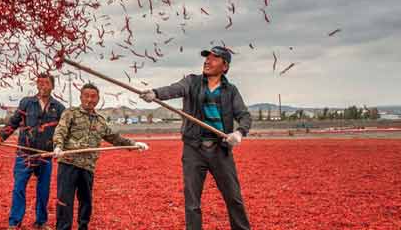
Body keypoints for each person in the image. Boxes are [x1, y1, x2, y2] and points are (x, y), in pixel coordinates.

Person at [140, 46, 252, 230]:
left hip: (220, 149)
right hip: (194, 148)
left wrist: (239, 133)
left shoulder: (230, 91)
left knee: (234, 198)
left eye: (214, 59)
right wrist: (156, 93)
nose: (207, 61)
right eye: (207, 58)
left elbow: (244, 115)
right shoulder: (191, 82)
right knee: (192, 202)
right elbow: (175, 89)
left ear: (225, 66)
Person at [52, 83, 149, 230]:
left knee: (86, 202)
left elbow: (114, 137)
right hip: (68, 163)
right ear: (81, 97)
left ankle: (83, 227)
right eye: (86, 96)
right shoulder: (70, 113)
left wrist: (134, 144)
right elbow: (61, 130)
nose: (90, 100)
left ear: (98, 99)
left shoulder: (100, 121)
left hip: (88, 166)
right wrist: (58, 146)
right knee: (65, 201)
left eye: (93, 96)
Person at [0, 73, 66, 229]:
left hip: (45, 155)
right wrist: (0, 137)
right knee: (19, 187)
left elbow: (63, 130)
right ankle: (14, 223)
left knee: (43, 190)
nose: (42, 85)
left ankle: (41, 222)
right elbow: (14, 122)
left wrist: (60, 148)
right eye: (40, 82)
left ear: (52, 86)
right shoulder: (26, 103)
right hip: (24, 154)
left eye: (46, 83)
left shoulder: (58, 107)